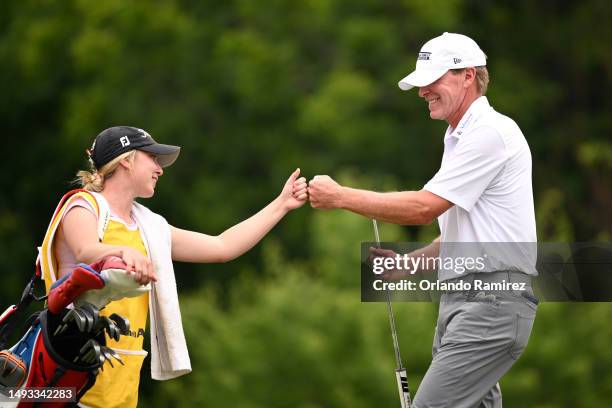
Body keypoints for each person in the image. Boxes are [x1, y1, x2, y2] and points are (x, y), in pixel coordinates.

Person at [307, 32, 537, 408]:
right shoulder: (460, 138)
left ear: (468, 76)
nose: (422, 91)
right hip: (467, 301)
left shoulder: (489, 133)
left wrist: (340, 197)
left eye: (433, 80)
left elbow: (423, 208)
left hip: (491, 303)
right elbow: (465, 237)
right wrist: (407, 266)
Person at [39, 126, 308, 408]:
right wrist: (124, 252)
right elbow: (86, 250)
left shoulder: (148, 226)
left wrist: (281, 204)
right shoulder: (82, 205)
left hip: (120, 390)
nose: (160, 169)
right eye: (153, 158)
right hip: (67, 386)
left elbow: (222, 247)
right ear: (126, 160)